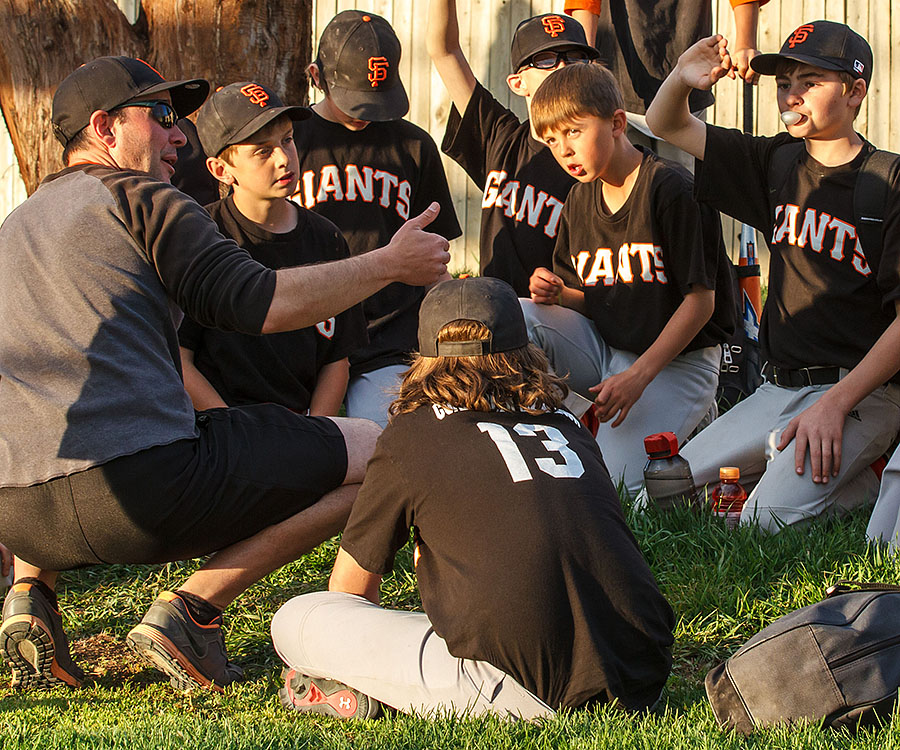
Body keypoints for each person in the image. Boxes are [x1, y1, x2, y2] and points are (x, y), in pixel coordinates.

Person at [0, 56, 450, 692]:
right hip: (141, 494)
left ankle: (30, 600)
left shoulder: (13, 228)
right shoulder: (144, 199)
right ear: (104, 129)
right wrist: (389, 262)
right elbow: (262, 302)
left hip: (15, 514)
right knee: (382, 450)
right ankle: (191, 611)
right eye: (160, 116)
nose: (180, 134)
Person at [270, 276, 674, 719]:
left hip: (520, 688)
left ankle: (370, 693)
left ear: (423, 353)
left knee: (296, 618)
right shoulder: (567, 424)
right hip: (642, 674)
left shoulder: (412, 434)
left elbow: (349, 591)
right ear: (525, 347)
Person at [645, 21, 900, 531]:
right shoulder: (776, 161)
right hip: (777, 389)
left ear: (854, 92)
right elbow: (665, 124)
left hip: (861, 394)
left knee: (760, 522)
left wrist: (835, 404)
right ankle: (808, 471)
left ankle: (870, 471)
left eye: (810, 81)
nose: (792, 94)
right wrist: (681, 76)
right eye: (784, 83)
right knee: (664, 493)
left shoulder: (887, 181)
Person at [522, 63, 733, 495]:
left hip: (677, 363)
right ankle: (540, 431)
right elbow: (595, 298)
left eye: (573, 131)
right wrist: (561, 294)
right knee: (516, 316)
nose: (563, 150)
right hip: (608, 350)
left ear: (617, 123)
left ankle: (694, 416)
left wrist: (638, 376)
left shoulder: (672, 189)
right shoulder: (579, 198)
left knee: (612, 490)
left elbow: (701, 303)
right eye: (551, 139)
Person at [294, 10, 461, 427]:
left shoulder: (414, 146)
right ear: (316, 76)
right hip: (302, 329)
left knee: (394, 444)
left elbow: (434, 260)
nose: (365, 113)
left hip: (388, 335)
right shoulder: (291, 142)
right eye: (354, 99)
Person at [178, 81, 367, 415]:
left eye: (288, 140)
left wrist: (314, 434)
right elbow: (180, 359)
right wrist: (235, 433)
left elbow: (337, 360)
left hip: (302, 429)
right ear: (221, 170)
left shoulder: (327, 239)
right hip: (221, 433)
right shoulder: (200, 236)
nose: (283, 158)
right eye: (262, 151)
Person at [427, 3, 598, 296]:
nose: (561, 67)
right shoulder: (499, 135)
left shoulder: (599, 158)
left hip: (562, 319)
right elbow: (444, 51)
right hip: (495, 309)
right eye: (545, 60)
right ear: (518, 83)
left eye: (575, 58)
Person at [565, 0, 764, 169]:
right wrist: (584, 58)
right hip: (620, 83)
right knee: (623, 192)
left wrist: (746, 43)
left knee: (687, 194)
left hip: (687, 76)